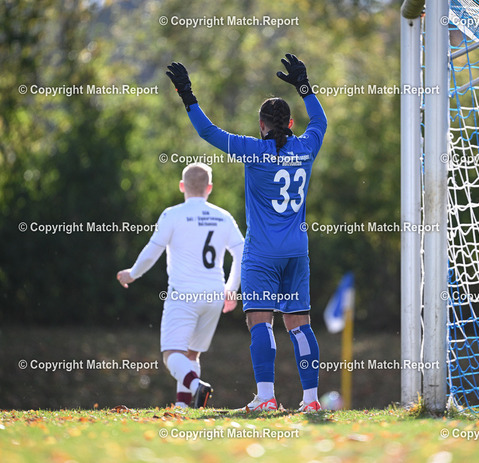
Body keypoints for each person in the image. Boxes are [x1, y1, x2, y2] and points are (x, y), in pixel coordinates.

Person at [166, 54, 327, 412]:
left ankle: (266, 398)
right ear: (290, 123)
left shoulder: (255, 151)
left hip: (262, 253)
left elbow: (209, 132)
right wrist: (304, 85)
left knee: (260, 321)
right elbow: (320, 121)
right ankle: (311, 401)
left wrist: (187, 94)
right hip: (296, 251)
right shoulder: (307, 146)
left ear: (261, 125)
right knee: (299, 324)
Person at [117, 162, 244, 409]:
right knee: (192, 354)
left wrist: (132, 274)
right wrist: (232, 289)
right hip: (215, 294)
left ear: (181, 186)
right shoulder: (223, 216)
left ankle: (196, 387)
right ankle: (184, 407)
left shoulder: (172, 214)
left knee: (171, 355)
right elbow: (241, 252)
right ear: (209, 188)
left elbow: (152, 250)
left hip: (184, 294)